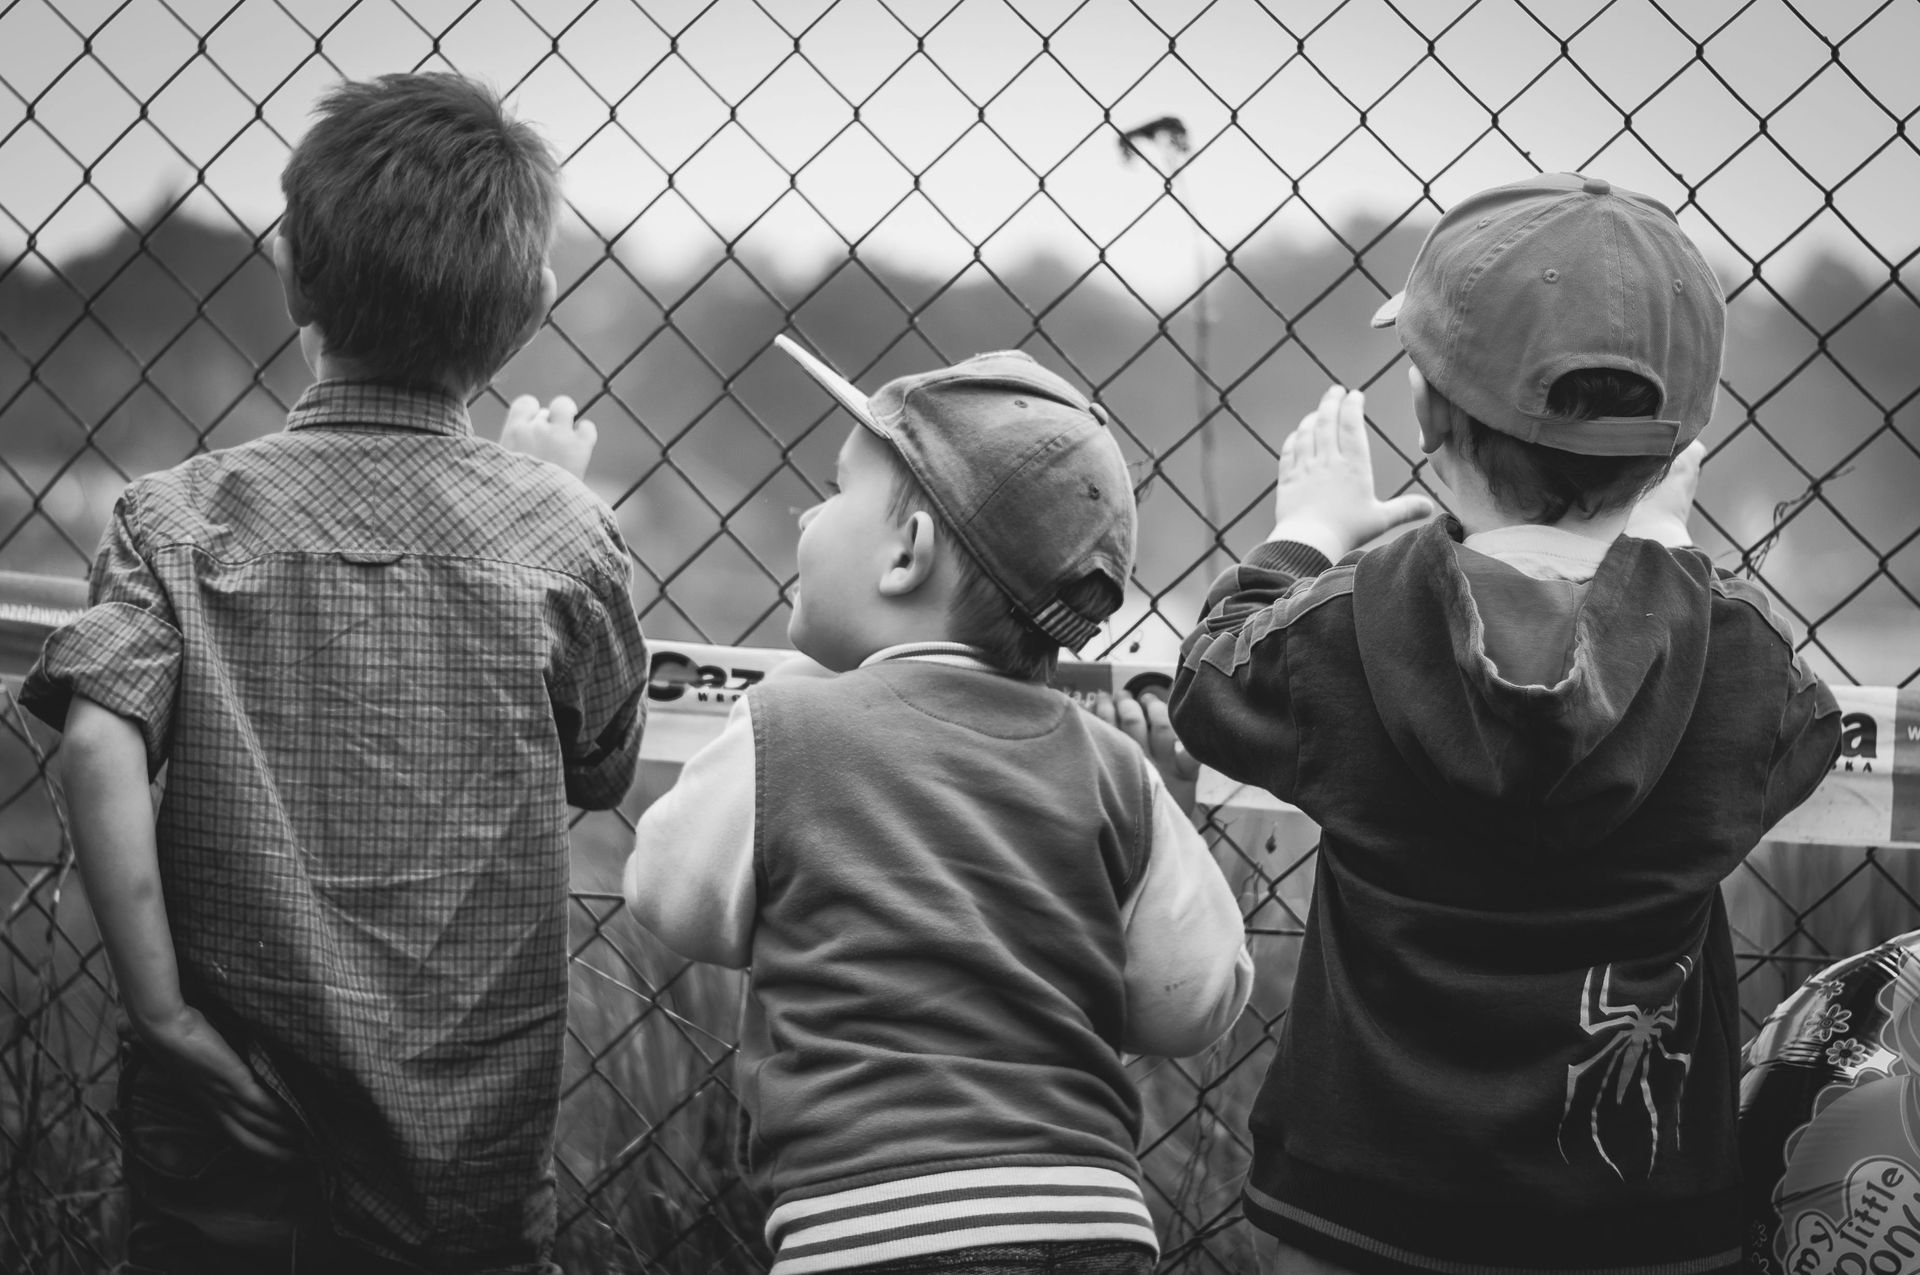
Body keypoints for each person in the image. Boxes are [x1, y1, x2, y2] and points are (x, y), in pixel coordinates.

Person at [23, 73, 647, 1273]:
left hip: (227, 1096)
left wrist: (163, 1016)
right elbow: (602, 766)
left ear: (297, 278)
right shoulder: (561, 536)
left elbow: (98, 736)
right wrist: (540, 491)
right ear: (529, 315)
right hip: (458, 1138)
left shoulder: (177, 517)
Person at [1167, 173, 1842, 1275]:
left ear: (1431, 413)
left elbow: (1209, 682)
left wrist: (1306, 533)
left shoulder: (1346, 627)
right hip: (1644, 1228)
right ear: (1678, 446)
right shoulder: (1735, 663)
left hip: (1358, 1217)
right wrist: (1668, 560)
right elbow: (1804, 732)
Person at [622, 338, 1253, 1275]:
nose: (810, 513)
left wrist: (810, 675)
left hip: (868, 1225)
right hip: (1094, 1215)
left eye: (835, 490)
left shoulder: (788, 725)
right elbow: (1191, 1001)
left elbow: (666, 895)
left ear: (907, 555)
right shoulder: (1114, 767)